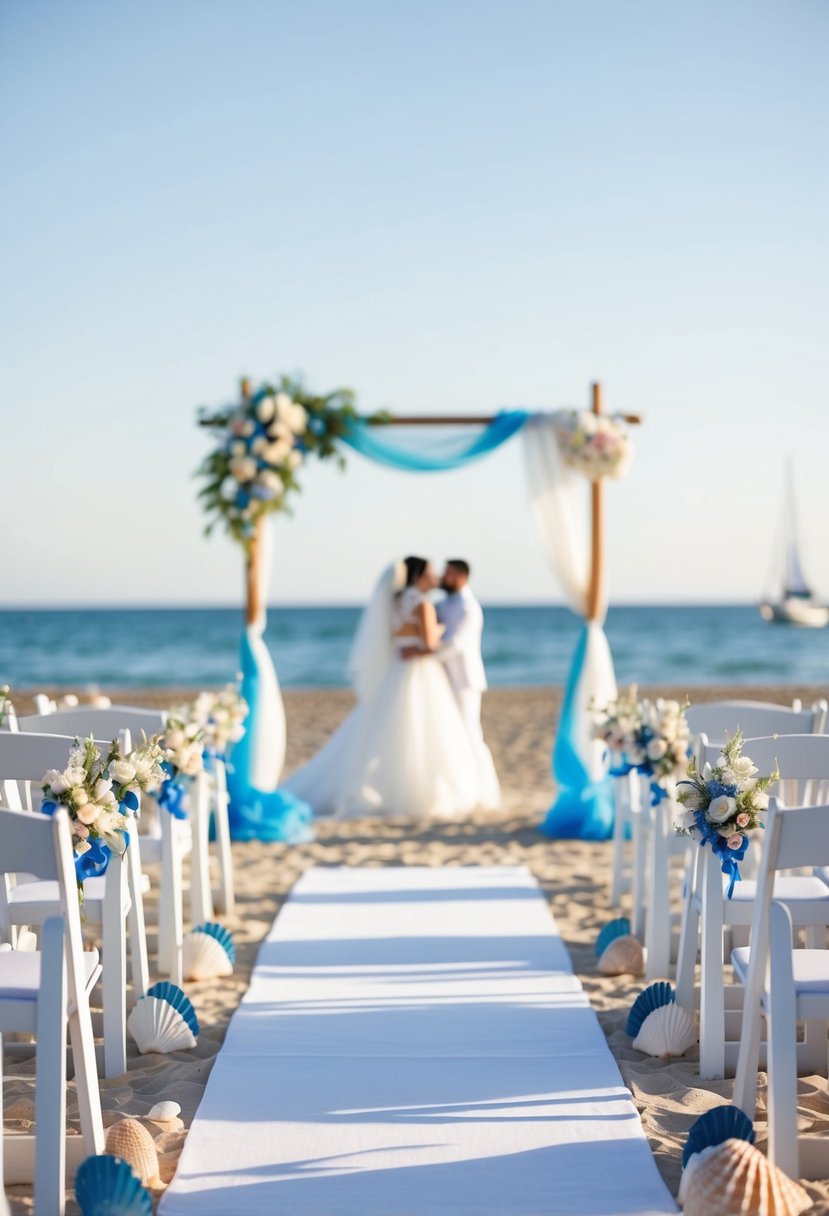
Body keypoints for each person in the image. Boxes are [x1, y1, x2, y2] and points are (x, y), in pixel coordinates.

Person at [282, 557, 483, 821]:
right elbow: (431, 644)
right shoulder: (423, 604)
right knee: (421, 731)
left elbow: (397, 638)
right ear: (418, 576)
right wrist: (438, 630)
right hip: (420, 673)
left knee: (385, 727)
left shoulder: (395, 602)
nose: (435, 578)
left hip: (396, 671)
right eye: (430, 573)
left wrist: (415, 645)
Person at [406, 559, 501, 809]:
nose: (441, 578)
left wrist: (423, 654)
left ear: (460, 577)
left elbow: (456, 643)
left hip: (465, 681)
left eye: (447, 574)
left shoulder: (469, 608)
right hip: (444, 679)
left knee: (470, 733)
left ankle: (482, 791)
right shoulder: (443, 604)